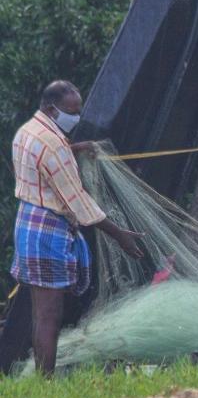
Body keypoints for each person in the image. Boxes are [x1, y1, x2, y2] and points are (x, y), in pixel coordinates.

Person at [11, 80, 144, 375]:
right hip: (47, 230)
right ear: (51, 109)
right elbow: (78, 201)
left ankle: (42, 381)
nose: (77, 116)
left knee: (40, 313)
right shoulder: (53, 143)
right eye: (72, 111)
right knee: (50, 316)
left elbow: (45, 160)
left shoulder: (28, 131)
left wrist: (75, 148)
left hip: (27, 224)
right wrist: (119, 235)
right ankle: (45, 384)